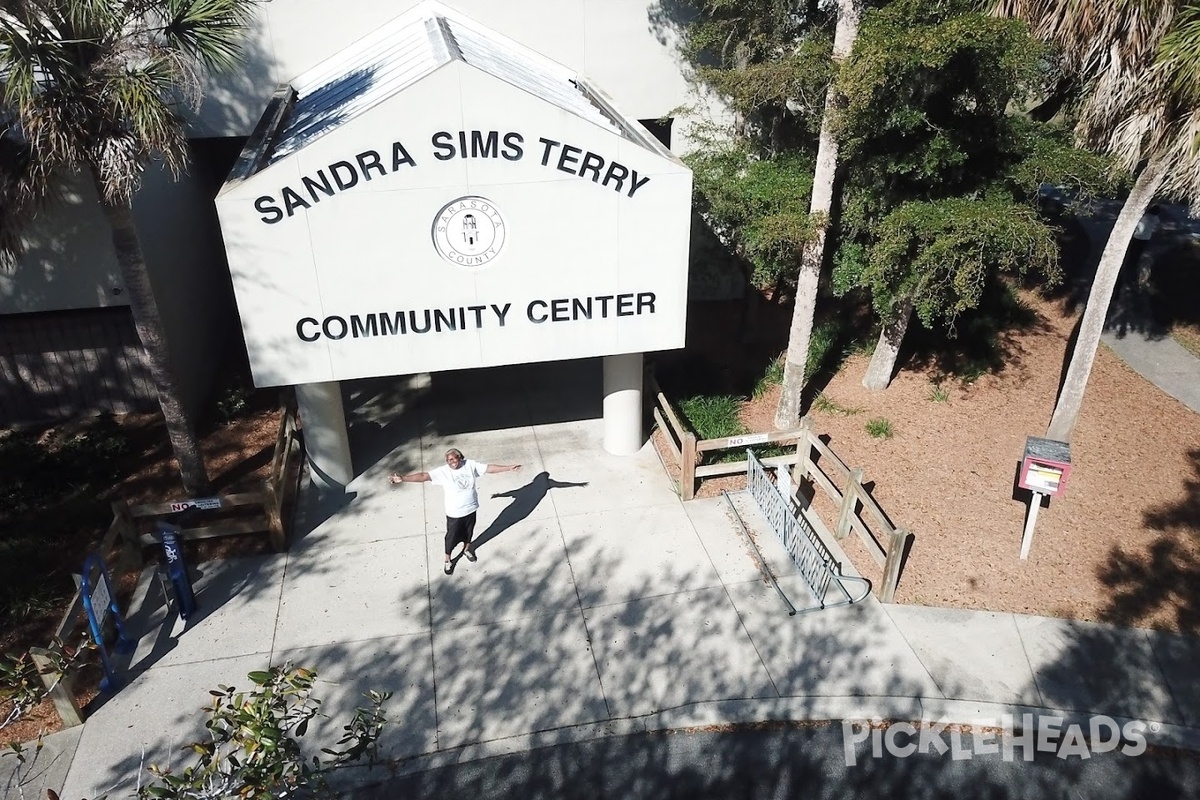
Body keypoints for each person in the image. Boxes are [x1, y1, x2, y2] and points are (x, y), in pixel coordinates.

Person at [389, 449, 521, 574]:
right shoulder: (443, 472)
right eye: (449, 460)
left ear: (460, 457)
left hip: (471, 509)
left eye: (454, 458)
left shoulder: (470, 465)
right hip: (455, 513)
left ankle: (467, 550)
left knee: (468, 534)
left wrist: (508, 468)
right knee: (451, 538)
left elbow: (489, 468)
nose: (452, 461)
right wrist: (404, 478)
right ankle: (448, 560)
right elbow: (424, 476)